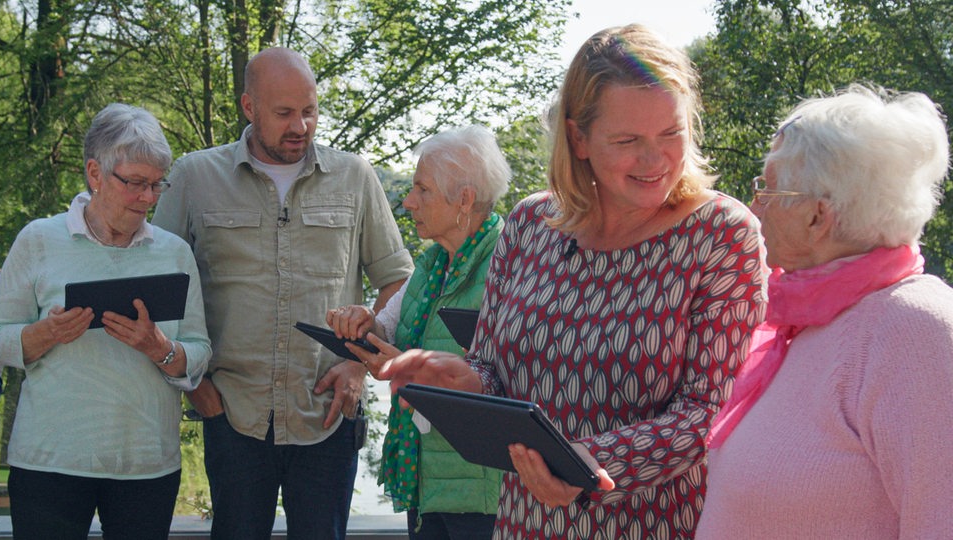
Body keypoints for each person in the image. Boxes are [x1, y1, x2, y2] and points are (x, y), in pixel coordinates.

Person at [377, 24, 768, 539]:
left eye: (671, 133)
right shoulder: (529, 224)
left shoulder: (721, 233)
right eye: (628, 140)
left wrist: (587, 466)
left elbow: (711, 412)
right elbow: (493, 369)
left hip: (654, 526)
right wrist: (466, 383)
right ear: (578, 138)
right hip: (526, 525)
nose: (656, 161)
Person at [151, 47, 413, 540]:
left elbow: (399, 281)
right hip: (232, 413)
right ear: (249, 108)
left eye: (309, 110)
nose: (301, 126)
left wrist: (359, 365)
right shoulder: (193, 177)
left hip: (329, 412)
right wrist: (194, 386)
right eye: (284, 113)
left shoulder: (355, 177)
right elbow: (161, 287)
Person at [697, 85, 953, 538]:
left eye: (767, 189)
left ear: (818, 216)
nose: (754, 207)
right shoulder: (806, 318)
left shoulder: (914, 330)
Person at [0, 103, 211, 540]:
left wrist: (160, 349)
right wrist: (44, 334)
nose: (149, 198)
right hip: (49, 463)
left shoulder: (173, 253)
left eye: (156, 185)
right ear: (95, 174)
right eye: (135, 183)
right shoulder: (39, 240)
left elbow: (200, 350)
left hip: (146, 466)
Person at [327, 125, 510, 539]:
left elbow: (514, 377)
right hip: (428, 481)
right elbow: (386, 325)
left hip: (481, 491)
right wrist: (362, 321)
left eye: (422, 190)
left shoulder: (510, 263)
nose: (409, 202)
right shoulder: (430, 267)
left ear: (463, 199)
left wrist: (414, 368)